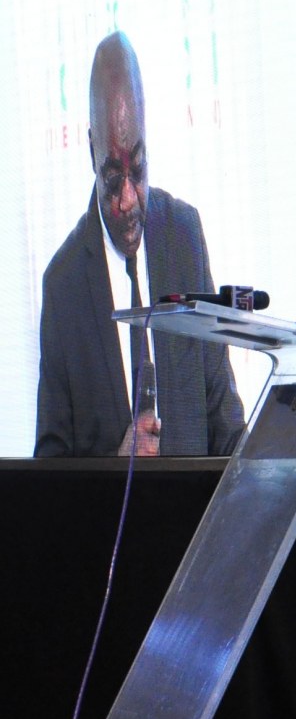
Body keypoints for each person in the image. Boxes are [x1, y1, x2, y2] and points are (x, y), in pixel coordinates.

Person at [35, 31, 245, 457]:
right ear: (91, 151)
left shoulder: (184, 232)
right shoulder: (64, 282)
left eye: (139, 171)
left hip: (197, 500)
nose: (128, 200)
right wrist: (117, 466)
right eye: (113, 177)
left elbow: (221, 405)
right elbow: (52, 458)